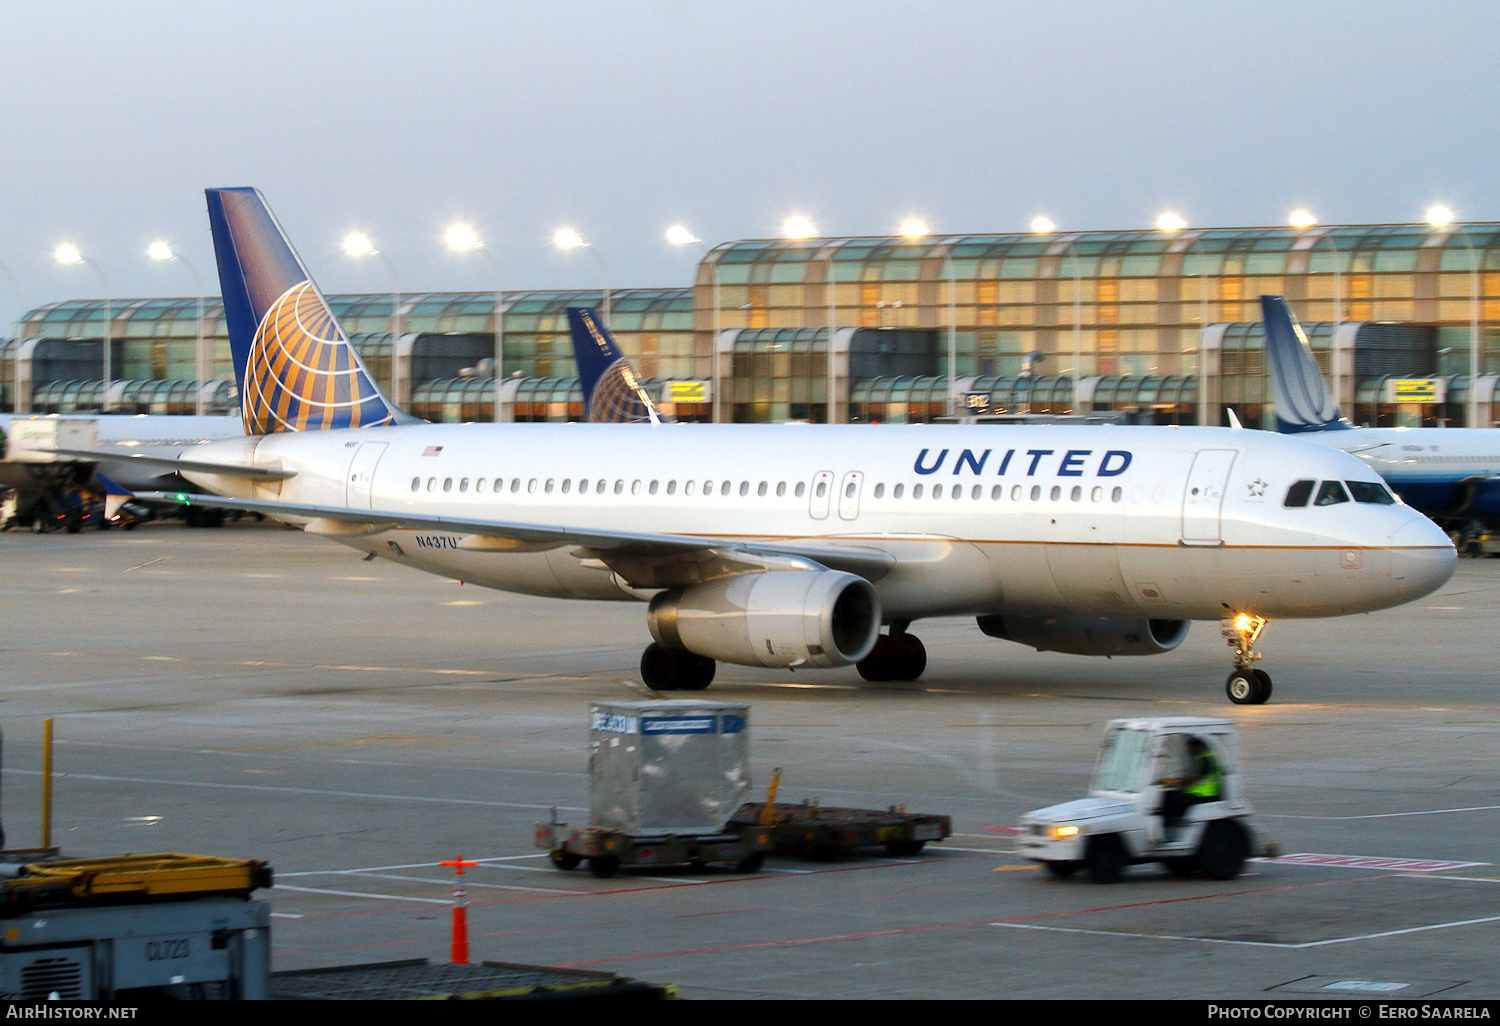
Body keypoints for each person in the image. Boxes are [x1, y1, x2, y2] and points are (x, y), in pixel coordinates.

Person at [1157, 736, 1222, 838]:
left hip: (1205, 795)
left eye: (1190, 748)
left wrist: (1175, 781)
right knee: (1171, 794)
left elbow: (1195, 778)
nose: (1188, 751)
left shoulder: (1206, 759)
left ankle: (1167, 829)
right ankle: (1174, 822)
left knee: (1169, 797)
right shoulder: (1204, 758)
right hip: (1198, 793)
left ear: (1198, 747)